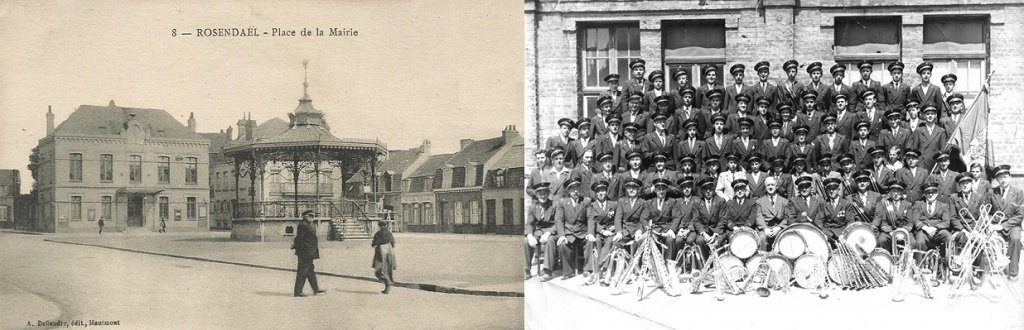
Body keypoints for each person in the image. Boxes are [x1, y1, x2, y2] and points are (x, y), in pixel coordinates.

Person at [991, 165, 1022, 280]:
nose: (1003, 180)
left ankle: (1013, 272)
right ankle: (996, 271)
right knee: (991, 240)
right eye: (1000, 178)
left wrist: (1002, 226)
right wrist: (991, 224)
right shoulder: (992, 192)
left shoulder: (1018, 192)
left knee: (1015, 239)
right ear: (997, 180)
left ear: (1010, 177)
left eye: (1005, 177)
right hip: (996, 225)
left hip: (1013, 225)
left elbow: (1020, 215)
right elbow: (988, 212)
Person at [525, 182, 558, 281]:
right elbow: (529, 223)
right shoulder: (533, 207)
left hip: (552, 231)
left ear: (548, 194)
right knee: (526, 241)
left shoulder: (554, 205)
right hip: (538, 231)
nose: (542, 196)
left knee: (550, 241)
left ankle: (548, 271)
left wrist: (549, 233)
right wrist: (530, 235)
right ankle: (526, 270)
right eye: (540, 194)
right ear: (536, 194)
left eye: (544, 193)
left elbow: (558, 222)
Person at [872, 180, 915, 254]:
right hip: (889, 231)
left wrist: (902, 232)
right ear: (890, 193)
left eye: (898, 191)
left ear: (901, 192)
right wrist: (892, 232)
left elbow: (910, 223)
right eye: (893, 191)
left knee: (913, 242)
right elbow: (883, 222)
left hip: (903, 231)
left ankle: (907, 261)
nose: (896, 194)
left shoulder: (907, 204)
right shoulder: (885, 204)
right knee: (881, 240)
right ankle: (885, 260)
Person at [292, 210, 325, 297]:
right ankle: (298, 292)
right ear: (305, 216)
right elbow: (299, 238)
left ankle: (316, 289)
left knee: (310, 271)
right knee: (302, 271)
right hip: (305, 252)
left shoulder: (310, 224)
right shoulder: (303, 225)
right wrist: (296, 246)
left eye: (313, 215)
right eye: (310, 215)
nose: (312, 217)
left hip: (310, 251)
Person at [755, 176, 791, 250]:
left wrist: (779, 227)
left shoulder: (784, 201)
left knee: (783, 237)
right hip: (765, 228)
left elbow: (787, 217)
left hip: (779, 227)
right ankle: (762, 258)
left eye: (772, 185)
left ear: (776, 186)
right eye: (768, 185)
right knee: (762, 238)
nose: (770, 187)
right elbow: (759, 217)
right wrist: (765, 229)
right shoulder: (759, 201)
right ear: (765, 187)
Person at [372, 220, 397, 294]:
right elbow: (393, 243)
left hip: (380, 253)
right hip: (389, 253)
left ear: (379, 226)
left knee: (378, 271)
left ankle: (387, 282)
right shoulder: (389, 233)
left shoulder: (378, 233)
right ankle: (387, 286)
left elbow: (374, 243)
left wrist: (375, 244)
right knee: (387, 270)